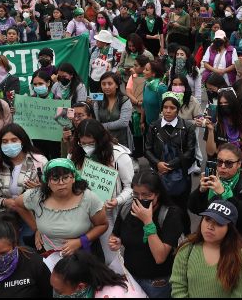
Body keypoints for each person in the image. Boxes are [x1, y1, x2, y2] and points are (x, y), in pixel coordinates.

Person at [109, 170, 185, 298]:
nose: (140, 199)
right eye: (136, 194)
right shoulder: (127, 207)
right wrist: (116, 241)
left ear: (157, 194)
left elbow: (160, 257)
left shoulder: (170, 214)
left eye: (146, 195)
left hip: (157, 283)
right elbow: (115, 234)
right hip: (131, 277)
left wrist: (147, 221)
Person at [15, 158, 108, 257]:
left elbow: (102, 225)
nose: (61, 183)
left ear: (73, 178)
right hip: (49, 255)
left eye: (65, 178)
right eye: (55, 179)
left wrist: (80, 241)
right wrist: (36, 229)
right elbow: (17, 204)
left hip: (82, 255)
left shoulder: (88, 198)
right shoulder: (37, 196)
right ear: (47, 182)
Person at [69, 118, 133, 262]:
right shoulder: (75, 154)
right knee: (83, 259)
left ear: (100, 139)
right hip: (80, 214)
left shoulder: (118, 156)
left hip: (107, 215)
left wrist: (117, 200)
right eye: (83, 143)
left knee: (111, 258)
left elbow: (130, 187)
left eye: (91, 143)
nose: (86, 147)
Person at [0, 124, 47, 247]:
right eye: (5, 141)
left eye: (14, 140)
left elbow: (53, 193)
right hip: (6, 218)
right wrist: (4, 202)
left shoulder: (39, 162)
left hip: (33, 218)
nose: (9, 144)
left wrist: (38, 190)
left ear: (23, 141)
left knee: (28, 250)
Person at [170, 200, 242, 298]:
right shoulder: (186, 249)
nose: (210, 226)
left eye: (219, 223)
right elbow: (178, 288)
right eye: (207, 219)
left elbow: (241, 294)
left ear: (230, 229)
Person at [144, 95, 196, 232]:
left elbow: (190, 152)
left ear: (177, 110)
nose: (168, 111)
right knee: (160, 207)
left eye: (172, 108)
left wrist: (169, 165)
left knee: (181, 208)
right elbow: (147, 149)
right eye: (165, 107)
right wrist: (157, 164)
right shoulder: (154, 126)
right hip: (159, 175)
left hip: (181, 175)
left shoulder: (188, 127)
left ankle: (185, 235)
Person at [50, 249, 144, 298]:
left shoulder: (110, 295)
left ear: (81, 286)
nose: (55, 293)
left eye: (58, 291)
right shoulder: (98, 278)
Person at [202, 88, 242, 161]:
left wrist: (227, 158)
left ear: (234, 103)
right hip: (218, 164)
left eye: (226, 103)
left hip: (237, 165)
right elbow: (210, 152)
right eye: (221, 103)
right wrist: (210, 130)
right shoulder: (214, 123)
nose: (223, 106)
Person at [94, 71, 134, 151]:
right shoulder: (98, 100)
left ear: (116, 85)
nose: (106, 87)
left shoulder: (124, 100)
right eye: (103, 84)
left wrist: (102, 126)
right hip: (104, 141)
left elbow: (123, 122)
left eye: (110, 84)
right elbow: (96, 121)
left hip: (121, 141)